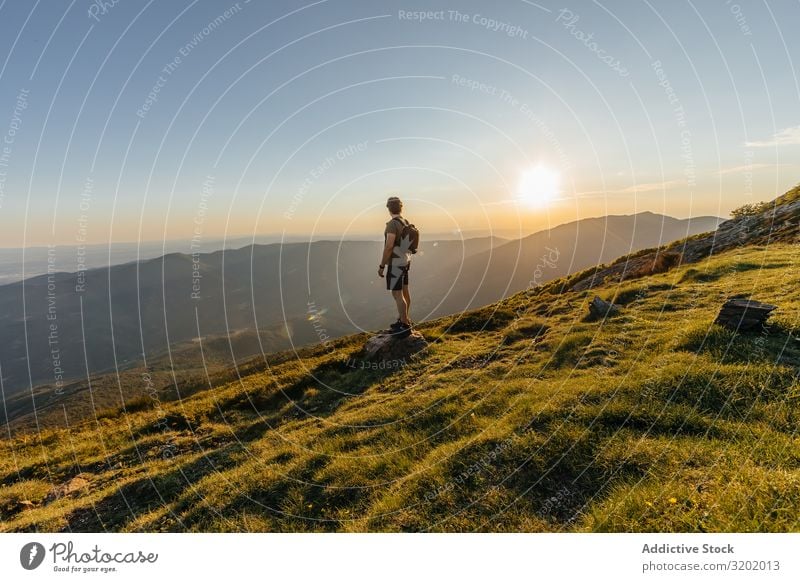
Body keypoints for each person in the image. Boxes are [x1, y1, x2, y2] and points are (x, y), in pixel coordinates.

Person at [378, 196, 412, 334]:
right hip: (405, 261)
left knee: (397, 293)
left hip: (396, 263)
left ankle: (404, 325)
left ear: (388, 208)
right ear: (401, 207)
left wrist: (382, 265)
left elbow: (389, 246)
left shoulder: (392, 224)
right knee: (405, 292)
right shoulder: (405, 222)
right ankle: (405, 319)